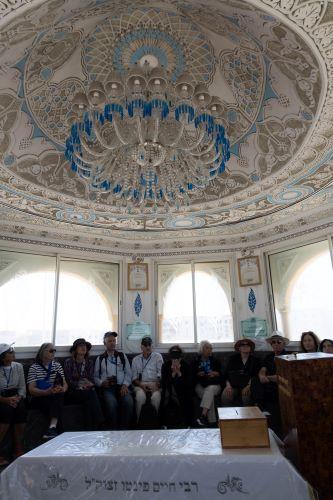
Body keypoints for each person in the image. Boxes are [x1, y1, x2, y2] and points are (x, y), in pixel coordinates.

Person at [251, 332, 289, 435]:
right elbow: (263, 368)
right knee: (255, 380)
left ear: (283, 344)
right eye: (273, 342)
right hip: (268, 382)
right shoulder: (269, 356)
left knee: (271, 390)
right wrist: (262, 375)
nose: (275, 344)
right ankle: (260, 407)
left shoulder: (288, 356)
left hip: (280, 384)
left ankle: (276, 429)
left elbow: (285, 377)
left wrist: (268, 378)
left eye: (278, 342)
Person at [94, 331, 133, 430]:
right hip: (107, 388)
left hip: (121, 386)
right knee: (112, 404)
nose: (112, 343)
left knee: (128, 401)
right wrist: (102, 383)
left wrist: (125, 385)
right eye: (110, 341)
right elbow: (94, 377)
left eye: (114, 341)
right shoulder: (100, 358)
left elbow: (129, 373)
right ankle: (114, 430)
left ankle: (124, 430)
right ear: (105, 343)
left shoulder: (122, 356)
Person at [27, 343, 67, 439]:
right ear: (42, 352)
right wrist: (46, 392)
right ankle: (57, 431)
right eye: (51, 350)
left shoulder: (57, 365)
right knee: (55, 402)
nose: (53, 353)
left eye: (54, 351)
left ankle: (52, 428)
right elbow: (31, 389)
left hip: (55, 394)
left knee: (58, 396)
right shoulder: (34, 367)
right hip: (39, 396)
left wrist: (62, 389)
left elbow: (65, 383)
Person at [64, 338, 103, 430]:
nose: (83, 348)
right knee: (91, 394)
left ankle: (89, 427)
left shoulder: (89, 362)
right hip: (73, 392)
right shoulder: (68, 362)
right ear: (75, 350)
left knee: (88, 400)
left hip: (87, 391)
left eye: (85, 346)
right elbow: (68, 381)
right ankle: (100, 421)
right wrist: (79, 385)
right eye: (80, 346)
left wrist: (88, 384)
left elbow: (91, 379)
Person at [0, 344, 26, 465]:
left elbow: (22, 387)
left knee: (20, 409)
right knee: (6, 411)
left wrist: (18, 397)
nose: (13, 353)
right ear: (2, 356)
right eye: (10, 352)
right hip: (2, 397)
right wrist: (5, 400)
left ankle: (18, 449)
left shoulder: (18, 366)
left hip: (16, 396)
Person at [131, 336, 163, 424]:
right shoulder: (136, 360)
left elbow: (161, 374)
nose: (148, 347)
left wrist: (157, 384)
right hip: (140, 384)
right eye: (145, 345)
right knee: (140, 397)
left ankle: (156, 423)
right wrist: (141, 385)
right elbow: (134, 378)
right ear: (141, 347)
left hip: (155, 384)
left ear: (152, 346)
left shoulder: (158, 357)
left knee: (156, 397)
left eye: (149, 345)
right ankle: (137, 422)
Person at [160, 345, 192, 428]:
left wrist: (179, 373)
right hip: (169, 390)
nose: (175, 357)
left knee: (186, 395)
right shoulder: (165, 366)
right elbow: (165, 383)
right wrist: (173, 373)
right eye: (173, 354)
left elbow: (188, 383)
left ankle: (187, 423)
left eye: (177, 355)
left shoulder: (186, 365)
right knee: (166, 394)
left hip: (183, 390)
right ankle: (165, 423)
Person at [221, 338, 260, 406]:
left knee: (246, 397)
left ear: (251, 348)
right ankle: (228, 416)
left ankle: (248, 415)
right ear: (239, 348)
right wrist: (228, 386)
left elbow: (255, 375)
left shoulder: (255, 360)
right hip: (233, 386)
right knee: (225, 396)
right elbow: (226, 374)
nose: (245, 346)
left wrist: (248, 386)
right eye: (242, 345)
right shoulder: (232, 359)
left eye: (248, 345)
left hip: (247, 386)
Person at [193, 340, 222, 427]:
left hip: (215, 385)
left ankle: (203, 416)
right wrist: (198, 374)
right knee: (210, 396)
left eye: (211, 348)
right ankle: (212, 423)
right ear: (201, 349)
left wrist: (216, 373)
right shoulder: (195, 360)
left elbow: (222, 374)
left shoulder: (215, 360)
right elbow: (191, 375)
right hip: (200, 385)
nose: (209, 350)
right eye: (207, 348)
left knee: (210, 390)